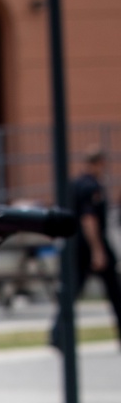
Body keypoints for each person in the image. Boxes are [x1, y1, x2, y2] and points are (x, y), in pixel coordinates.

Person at [52, 146, 121, 349]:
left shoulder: (74, 184)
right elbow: (89, 219)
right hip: (90, 245)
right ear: (99, 163)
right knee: (116, 293)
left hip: (74, 245)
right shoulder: (92, 187)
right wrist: (98, 250)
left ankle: (57, 335)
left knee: (71, 292)